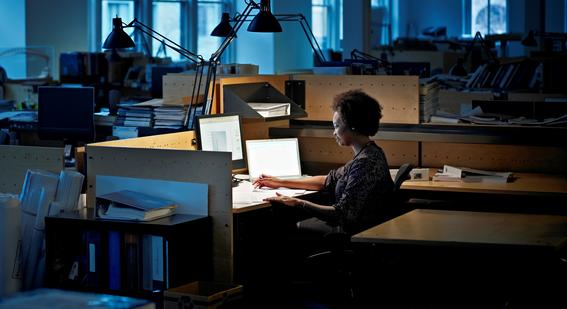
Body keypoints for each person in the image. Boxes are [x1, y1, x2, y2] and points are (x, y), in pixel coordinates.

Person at [253, 89, 394, 236]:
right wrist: (280, 182)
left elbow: (341, 214)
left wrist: (299, 203)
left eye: (337, 126)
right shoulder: (370, 152)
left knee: (278, 228)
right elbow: (328, 180)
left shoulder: (365, 163)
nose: (334, 132)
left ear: (353, 126)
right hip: (357, 228)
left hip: (354, 234)